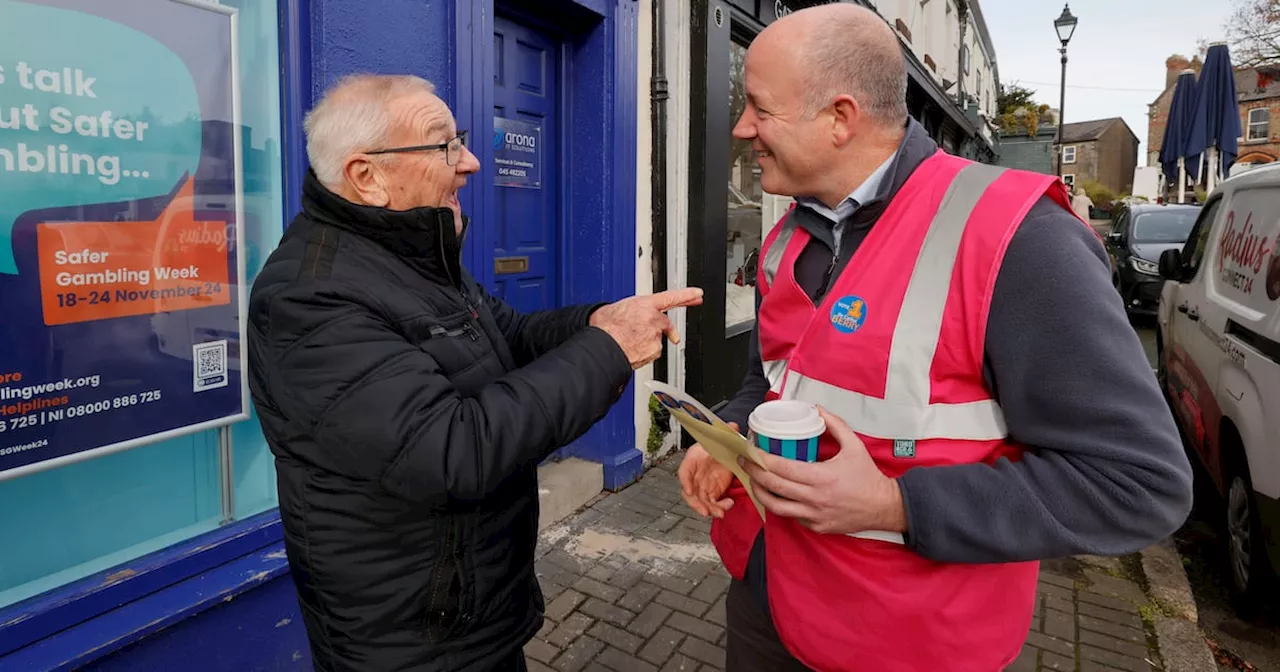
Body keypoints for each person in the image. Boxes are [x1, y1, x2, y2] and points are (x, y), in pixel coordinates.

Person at [677, 5, 1193, 671]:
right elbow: (774, 378)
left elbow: (1138, 483)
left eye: (758, 108)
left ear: (840, 117)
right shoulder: (788, 235)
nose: (742, 127)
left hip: (909, 641)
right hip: (768, 599)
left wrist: (897, 503)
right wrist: (735, 430)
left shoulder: (1020, 240)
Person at [246, 74, 702, 672]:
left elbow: (508, 336)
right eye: (444, 145)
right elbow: (451, 449)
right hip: (413, 640)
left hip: (470, 612)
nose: (471, 162)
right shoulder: (309, 299)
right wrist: (608, 349)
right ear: (367, 176)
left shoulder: (409, 255)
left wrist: (600, 320)